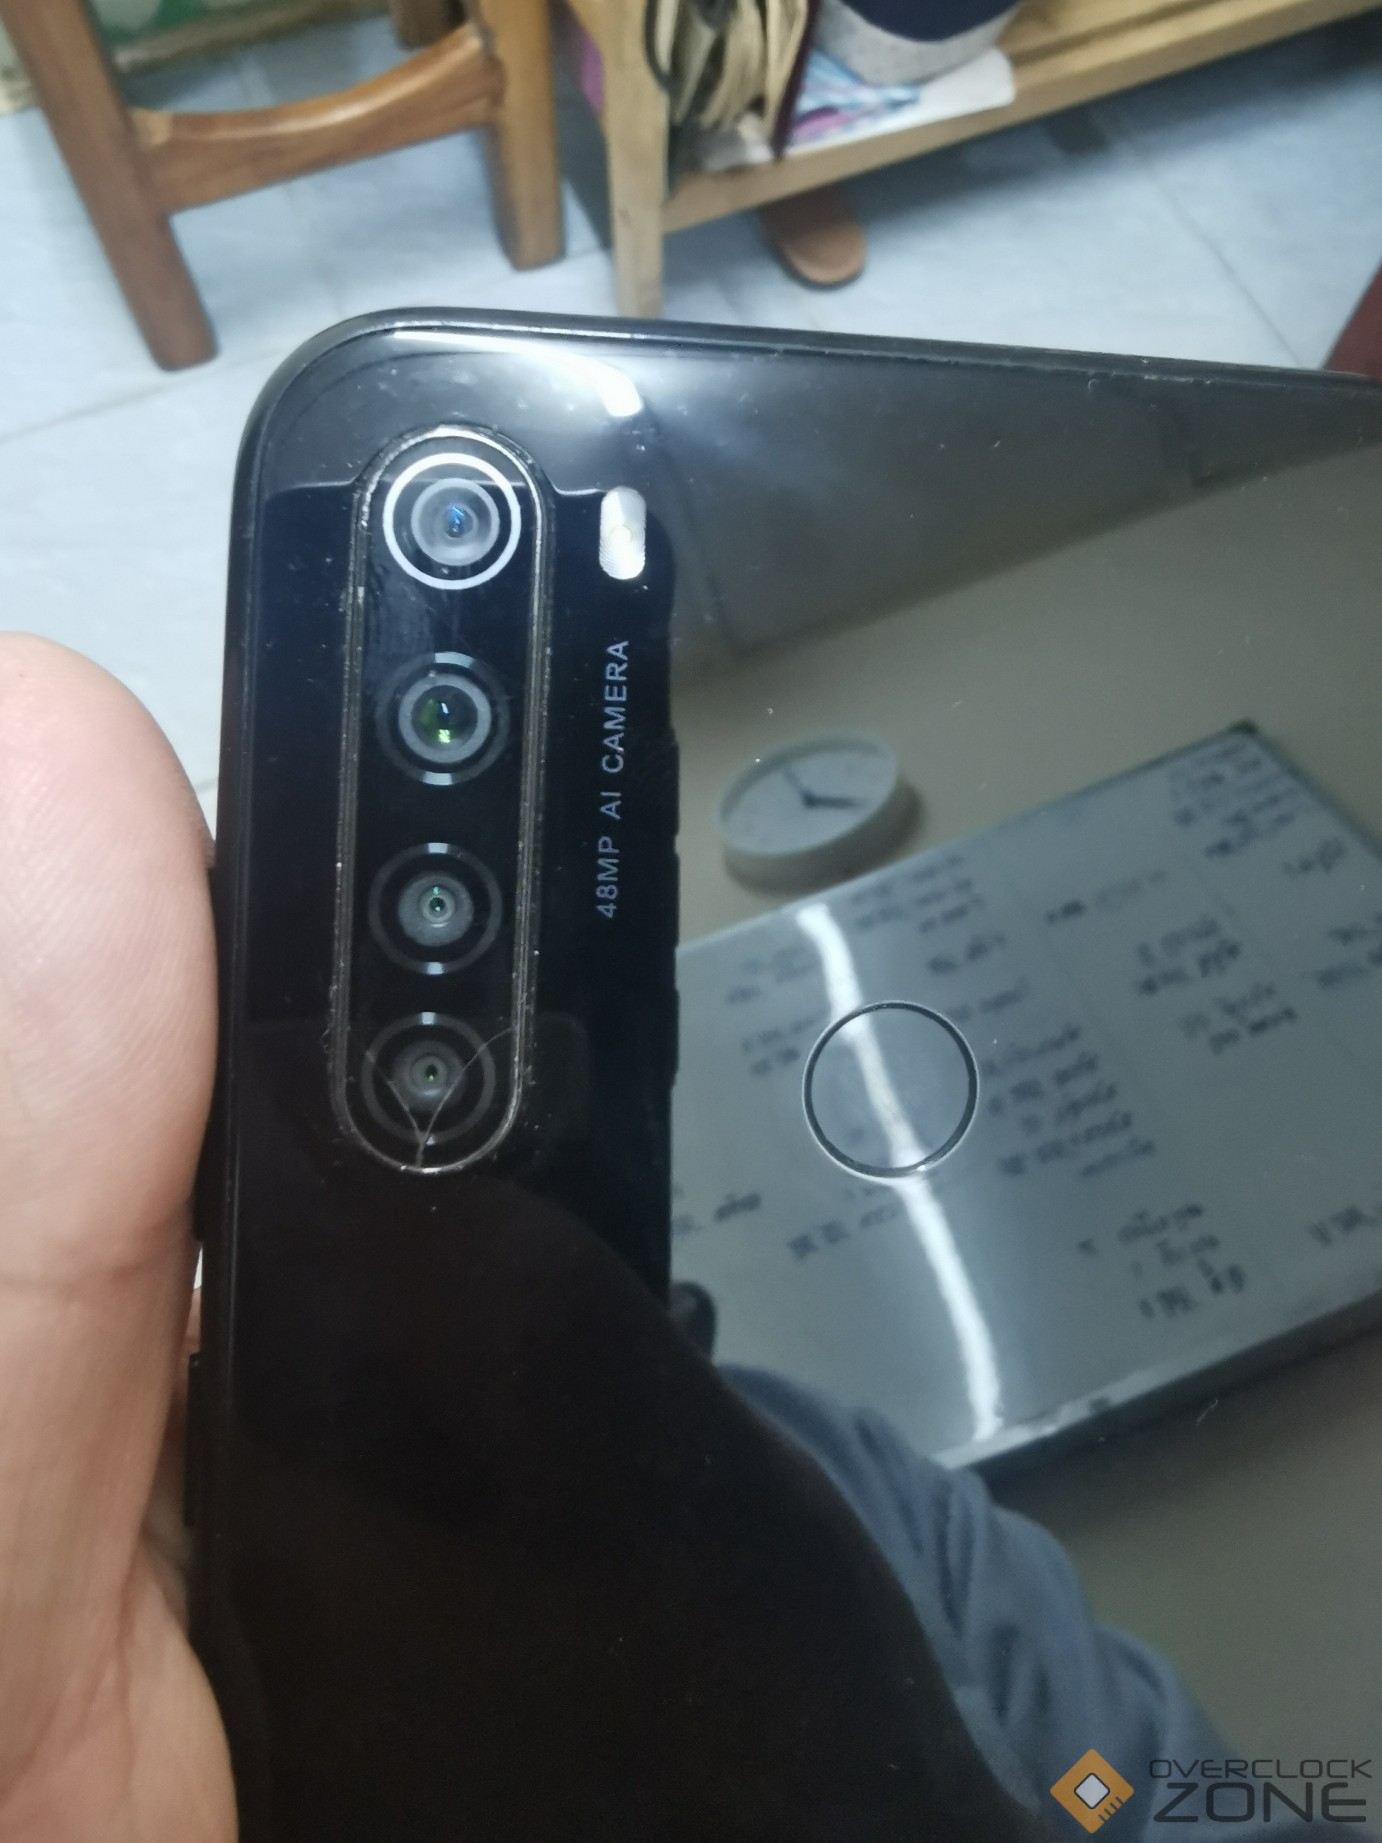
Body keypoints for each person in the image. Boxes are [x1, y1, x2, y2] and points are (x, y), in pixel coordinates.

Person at [0, 635, 1325, 1843]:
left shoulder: (854, 1479)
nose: (464, 1135)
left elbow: (1154, 1802)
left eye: (545, 1048)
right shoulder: (175, 1565)